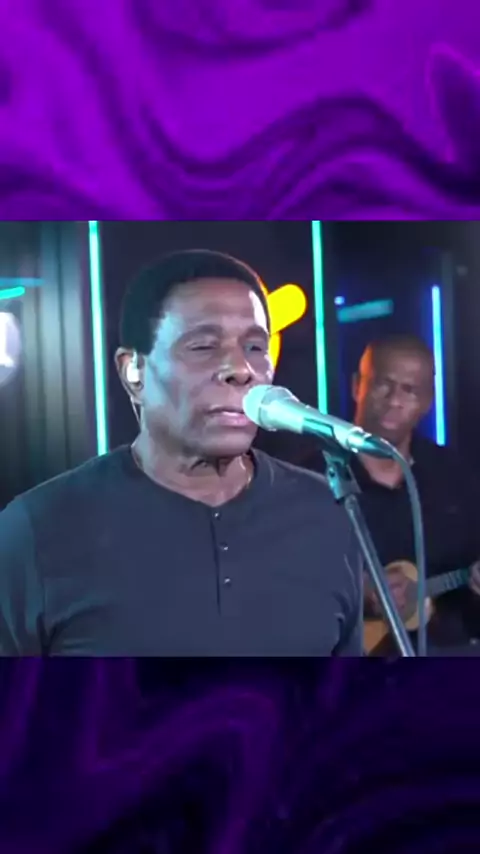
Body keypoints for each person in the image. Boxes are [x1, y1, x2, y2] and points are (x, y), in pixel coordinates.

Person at [0, 249, 363, 656]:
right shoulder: (36, 530)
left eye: (255, 347)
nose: (241, 369)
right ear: (133, 372)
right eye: (204, 346)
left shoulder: (329, 513)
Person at [301, 334, 480, 656]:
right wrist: (359, 592)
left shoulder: (454, 477)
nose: (394, 400)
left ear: (427, 402)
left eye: (409, 390)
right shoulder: (308, 478)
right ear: (357, 386)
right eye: (383, 384)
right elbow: (284, 580)